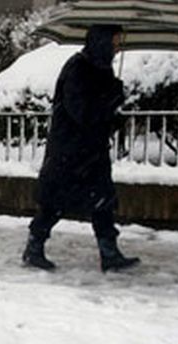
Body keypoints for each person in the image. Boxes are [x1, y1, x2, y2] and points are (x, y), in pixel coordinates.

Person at [22, 24, 140, 272]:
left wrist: (114, 112)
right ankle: (34, 248)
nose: (118, 48)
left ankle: (109, 253)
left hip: (93, 151)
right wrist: (110, 98)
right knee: (55, 202)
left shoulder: (102, 69)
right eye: (115, 42)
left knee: (102, 201)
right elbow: (82, 112)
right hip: (70, 151)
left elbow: (100, 115)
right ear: (102, 41)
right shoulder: (77, 68)